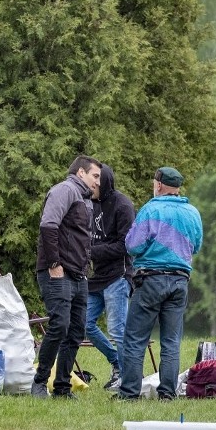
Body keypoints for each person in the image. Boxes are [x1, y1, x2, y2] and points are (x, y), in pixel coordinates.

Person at [115, 167, 203, 401]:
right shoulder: (192, 212)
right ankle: (167, 394)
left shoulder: (151, 209)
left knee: (135, 339)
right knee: (171, 341)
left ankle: (129, 394)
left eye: (155, 182)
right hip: (179, 282)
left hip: (151, 280)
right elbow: (196, 245)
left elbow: (132, 245)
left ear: (160, 185)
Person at [31, 155, 101, 399]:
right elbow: (48, 226)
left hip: (79, 275)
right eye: (95, 176)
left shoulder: (86, 200)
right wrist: (53, 263)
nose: (98, 182)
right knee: (59, 325)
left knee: (76, 330)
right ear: (81, 172)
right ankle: (39, 382)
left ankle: (62, 387)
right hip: (57, 271)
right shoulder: (64, 190)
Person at [87, 164, 135, 392]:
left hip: (118, 275)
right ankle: (117, 362)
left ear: (105, 181)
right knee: (84, 323)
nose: (92, 184)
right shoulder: (91, 204)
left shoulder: (123, 205)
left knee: (118, 330)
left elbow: (126, 246)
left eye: (97, 180)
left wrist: (91, 252)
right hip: (97, 277)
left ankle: (128, 379)